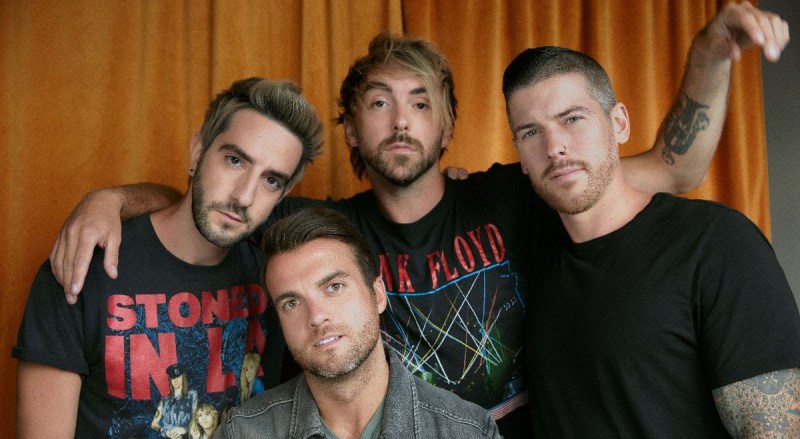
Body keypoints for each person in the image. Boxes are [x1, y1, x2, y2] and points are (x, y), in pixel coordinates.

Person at [43, 3, 789, 436]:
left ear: (448, 124)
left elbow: (673, 167)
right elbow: (218, 207)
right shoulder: (321, 232)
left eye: (420, 102)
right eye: (378, 103)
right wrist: (109, 200)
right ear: (351, 130)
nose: (401, 121)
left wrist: (710, 53)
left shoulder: (520, 192)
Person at [502, 40, 800, 436]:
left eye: (572, 118)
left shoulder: (715, 243)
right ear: (520, 156)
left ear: (619, 123)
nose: (554, 147)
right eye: (531, 132)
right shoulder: (530, 262)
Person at [13, 77, 324, 437]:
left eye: (271, 181)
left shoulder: (276, 275)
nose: (244, 196)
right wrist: (107, 199)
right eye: (234, 160)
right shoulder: (85, 263)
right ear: (197, 153)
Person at [215, 206, 501, 438]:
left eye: (334, 287)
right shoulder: (242, 432)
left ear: (377, 295)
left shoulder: (467, 431)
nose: (316, 316)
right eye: (291, 303)